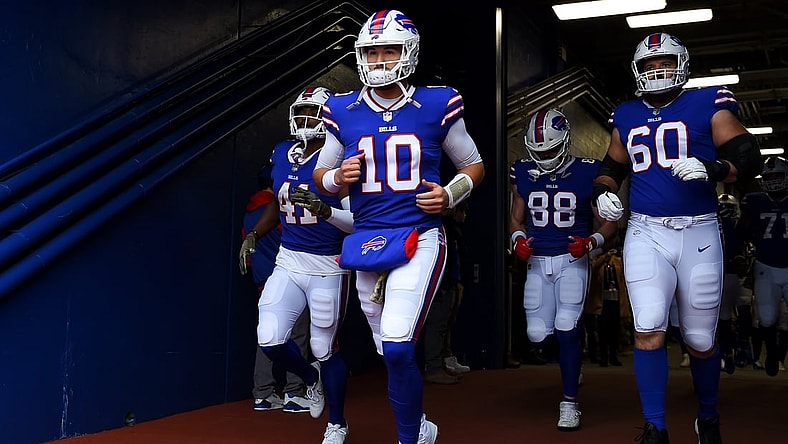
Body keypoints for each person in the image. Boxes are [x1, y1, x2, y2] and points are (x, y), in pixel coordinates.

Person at [312, 9, 485, 444]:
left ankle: (409, 437)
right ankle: (421, 427)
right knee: (388, 350)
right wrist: (338, 178)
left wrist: (449, 194)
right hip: (367, 239)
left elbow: (473, 165)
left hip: (419, 234)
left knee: (397, 343)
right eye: (372, 52)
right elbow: (321, 176)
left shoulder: (437, 102)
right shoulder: (341, 109)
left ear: (409, 51)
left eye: (389, 50)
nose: (380, 59)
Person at [592, 32, 762, 443]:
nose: (657, 70)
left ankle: (708, 417)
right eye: (649, 65)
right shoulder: (626, 114)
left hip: (699, 230)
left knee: (700, 338)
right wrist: (602, 193)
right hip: (646, 231)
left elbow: (749, 157)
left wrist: (714, 168)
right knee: (648, 326)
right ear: (637, 70)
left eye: (664, 62)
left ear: (682, 64)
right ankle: (655, 426)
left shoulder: (707, 102)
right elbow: (610, 169)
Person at [239, 86, 355, 444]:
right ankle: (310, 378)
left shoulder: (342, 157)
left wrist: (325, 210)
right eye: (301, 112)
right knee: (269, 337)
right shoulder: (281, 152)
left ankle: (337, 423)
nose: (304, 120)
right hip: (288, 259)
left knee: (324, 348)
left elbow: (356, 222)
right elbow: (278, 201)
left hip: (328, 264)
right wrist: (255, 234)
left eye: (312, 113)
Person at [509, 108, 617, 432]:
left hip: (572, 260)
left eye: (551, 150)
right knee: (537, 335)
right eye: (539, 151)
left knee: (566, 326)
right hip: (538, 261)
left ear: (566, 141)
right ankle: (574, 353)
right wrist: (516, 239)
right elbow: (516, 217)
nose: (545, 157)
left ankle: (569, 402)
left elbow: (610, 222)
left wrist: (591, 242)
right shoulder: (522, 171)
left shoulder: (589, 171)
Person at [242, 164, 311, 413]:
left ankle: (263, 394)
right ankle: (295, 392)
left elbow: (249, 254)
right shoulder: (279, 209)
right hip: (286, 279)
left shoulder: (249, 213)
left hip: (263, 281)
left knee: (267, 336)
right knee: (298, 334)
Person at [738, 156, 788, 377]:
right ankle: (772, 352)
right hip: (765, 266)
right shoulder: (754, 201)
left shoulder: (754, 201)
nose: (773, 180)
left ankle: (778, 353)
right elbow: (742, 231)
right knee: (766, 319)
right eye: (769, 177)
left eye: (777, 175)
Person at [422, 201, 471, 385]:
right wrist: (442, 285)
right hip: (440, 285)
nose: (463, 216)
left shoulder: (452, 229)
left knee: (443, 326)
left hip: (450, 283)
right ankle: (433, 368)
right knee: (436, 326)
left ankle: (440, 364)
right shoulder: (438, 229)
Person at [716, 193, 750, 374]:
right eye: (725, 208)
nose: (727, 212)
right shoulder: (716, 224)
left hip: (738, 273)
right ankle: (728, 351)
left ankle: (743, 345)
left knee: (744, 309)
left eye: (730, 208)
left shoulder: (741, 225)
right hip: (723, 273)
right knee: (725, 316)